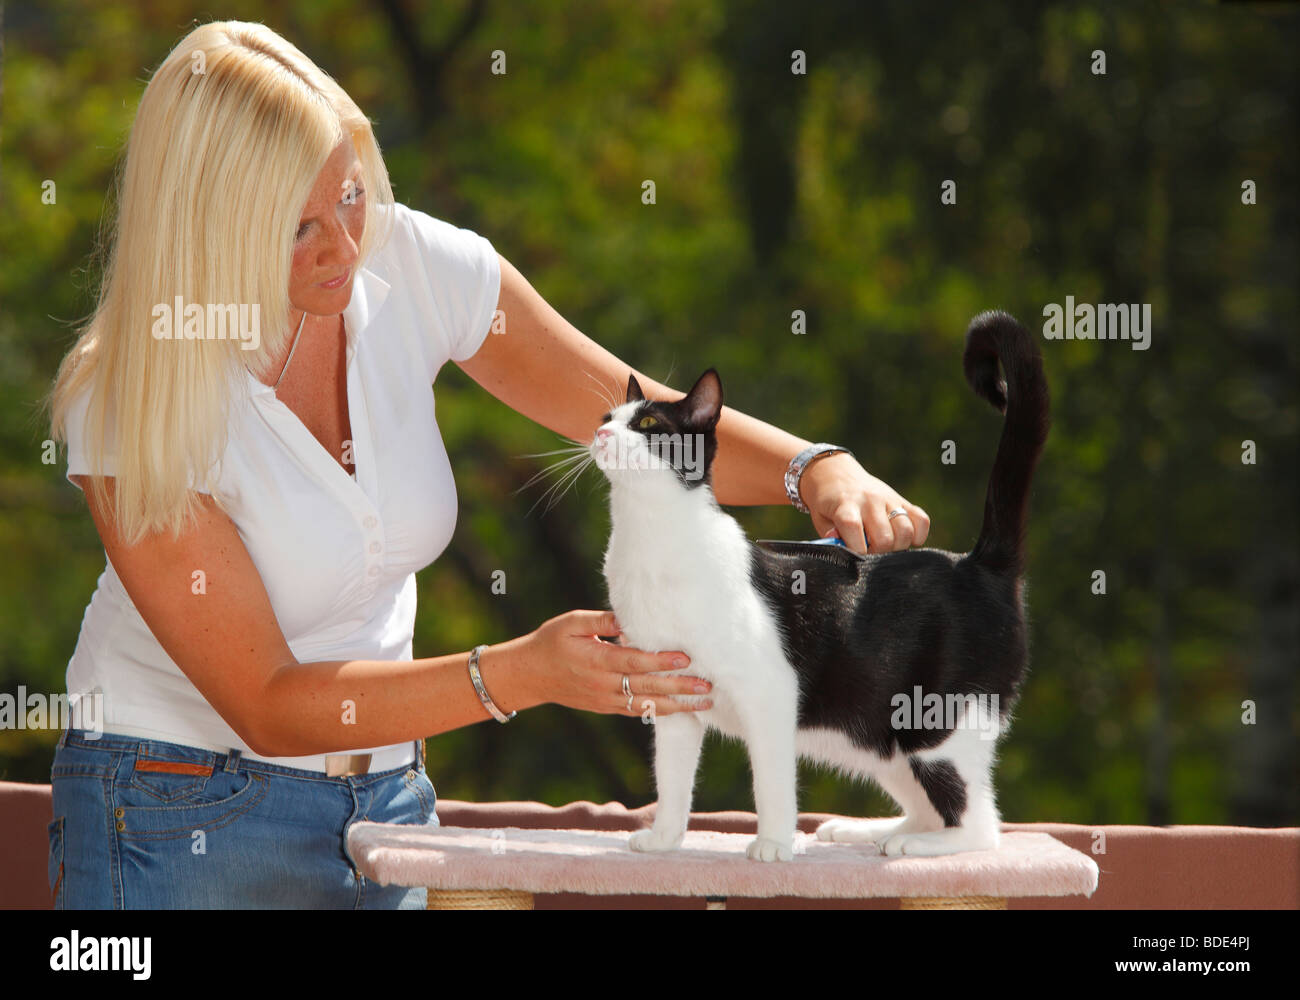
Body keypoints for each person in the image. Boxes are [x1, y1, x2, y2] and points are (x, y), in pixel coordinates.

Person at [43, 20, 930, 909]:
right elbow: (267, 702)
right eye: (297, 227)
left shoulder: (414, 264)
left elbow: (636, 412)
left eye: (351, 196)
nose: (346, 249)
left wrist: (818, 470)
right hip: (172, 806)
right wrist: (522, 673)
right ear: (202, 227)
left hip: (386, 803)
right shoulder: (129, 400)